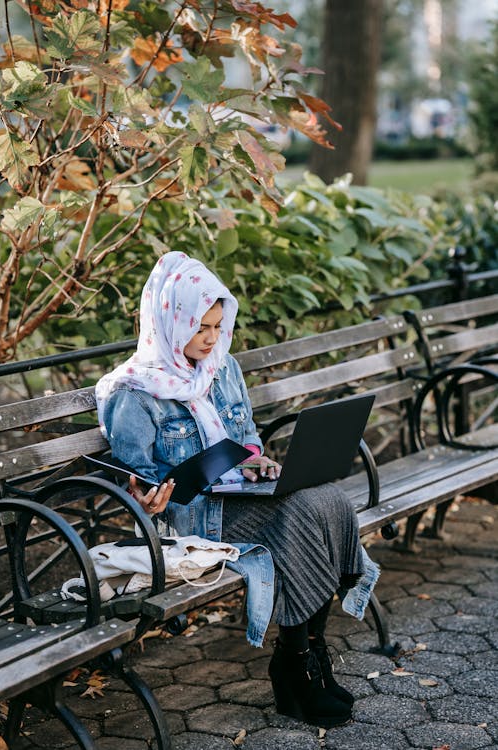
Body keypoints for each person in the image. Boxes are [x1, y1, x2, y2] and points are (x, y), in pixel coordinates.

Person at [95, 251, 379, 729]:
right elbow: (137, 479)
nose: (210, 338)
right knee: (300, 516)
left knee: (327, 499)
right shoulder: (132, 394)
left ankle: (305, 656)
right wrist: (150, 494)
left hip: (238, 496)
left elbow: (245, 433)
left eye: (216, 325)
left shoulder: (221, 367)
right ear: (169, 321)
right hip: (194, 514)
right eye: (199, 327)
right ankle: (294, 665)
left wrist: (257, 459)